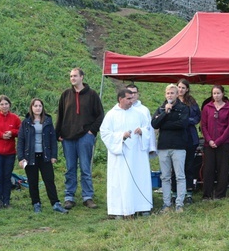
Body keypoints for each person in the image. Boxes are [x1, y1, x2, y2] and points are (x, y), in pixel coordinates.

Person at [56, 67, 104, 210]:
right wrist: (58, 132)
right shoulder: (65, 95)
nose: (73, 78)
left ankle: (87, 196)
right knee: (70, 168)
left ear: (82, 77)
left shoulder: (92, 95)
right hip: (68, 137)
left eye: (75, 76)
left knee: (85, 168)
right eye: (71, 76)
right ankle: (69, 196)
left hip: (85, 137)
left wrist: (91, 131)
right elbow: (60, 115)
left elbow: (100, 115)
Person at [100, 89, 153, 218]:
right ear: (120, 99)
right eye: (129, 98)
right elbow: (105, 133)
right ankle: (118, 209)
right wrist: (121, 137)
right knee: (119, 181)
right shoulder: (111, 115)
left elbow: (148, 128)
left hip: (136, 154)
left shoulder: (139, 113)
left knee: (140, 177)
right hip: (120, 154)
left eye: (132, 98)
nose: (131, 101)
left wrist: (142, 131)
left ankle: (141, 206)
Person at [17, 98, 68, 214]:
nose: (38, 108)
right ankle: (36, 204)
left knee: (49, 180)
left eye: (40, 106)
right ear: (31, 107)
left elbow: (52, 140)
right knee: (33, 181)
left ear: (42, 107)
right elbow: (21, 141)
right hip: (30, 157)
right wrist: (21, 158)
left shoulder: (48, 121)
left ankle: (55, 203)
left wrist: (53, 155)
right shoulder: (26, 122)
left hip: (45, 156)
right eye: (35, 106)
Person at [152, 84, 189, 213]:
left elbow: (183, 124)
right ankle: (166, 204)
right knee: (165, 177)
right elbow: (154, 124)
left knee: (180, 176)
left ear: (177, 94)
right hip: (163, 146)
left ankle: (179, 203)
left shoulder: (183, 108)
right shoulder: (162, 108)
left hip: (178, 146)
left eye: (172, 93)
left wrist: (164, 124)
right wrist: (165, 114)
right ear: (165, 94)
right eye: (168, 93)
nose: (170, 95)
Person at [200, 85, 229, 200]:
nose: (216, 95)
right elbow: (203, 125)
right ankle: (207, 195)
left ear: (223, 94)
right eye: (214, 93)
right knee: (208, 169)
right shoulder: (207, 107)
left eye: (218, 93)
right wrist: (209, 140)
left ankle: (220, 194)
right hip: (209, 144)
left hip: (224, 144)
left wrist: (218, 141)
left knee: (222, 170)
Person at [176, 79, 201, 203]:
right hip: (176, 137)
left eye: (183, 88)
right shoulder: (171, 100)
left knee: (189, 165)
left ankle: (189, 192)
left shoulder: (192, 102)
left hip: (190, 137)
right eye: (179, 87)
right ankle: (176, 192)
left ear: (187, 89)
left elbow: (197, 118)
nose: (180, 90)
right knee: (176, 167)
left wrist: (186, 121)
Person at [126, 84, 156, 155]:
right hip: (126, 144)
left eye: (134, 93)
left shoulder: (144, 110)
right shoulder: (121, 109)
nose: (132, 95)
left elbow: (150, 128)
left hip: (140, 144)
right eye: (130, 93)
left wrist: (151, 147)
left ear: (138, 94)